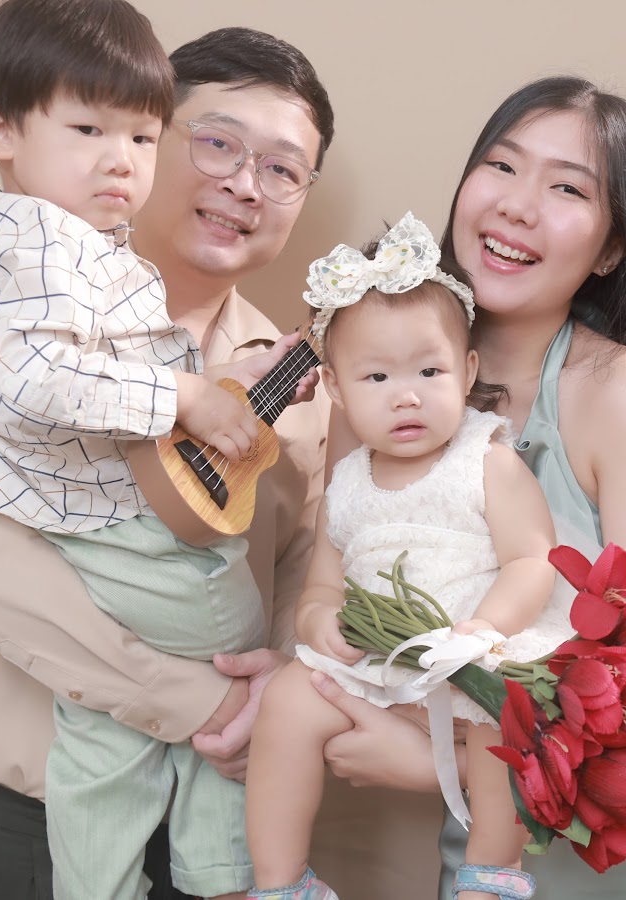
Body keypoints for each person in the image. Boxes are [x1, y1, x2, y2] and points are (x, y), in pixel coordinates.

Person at [0, 23, 334, 900]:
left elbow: (302, 569)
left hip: (207, 849)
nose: (245, 184)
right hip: (2, 835)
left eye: (283, 169)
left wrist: (279, 694)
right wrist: (206, 706)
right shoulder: (15, 304)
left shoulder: (295, 382)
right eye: (216, 143)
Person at [315, 76, 626, 899]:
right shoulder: (379, 388)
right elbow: (340, 592)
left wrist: (441, 764)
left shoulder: (624, 395)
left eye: (568, 188)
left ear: (610, 249)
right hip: (498, 839)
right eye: (501, 165)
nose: (517, 206)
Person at [245, 213, 573, 900]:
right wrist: (318, 623)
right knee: (287, 702)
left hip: (470, 652)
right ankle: (281, 881)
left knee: (506, 723)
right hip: (383, 661)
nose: (408, 394)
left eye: (430, 369)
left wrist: (485, 631)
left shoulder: (484, 460)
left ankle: (490, 873)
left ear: (468, 370)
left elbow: (533, 560)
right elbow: (322, 586)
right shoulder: (349, 483)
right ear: (336, 389)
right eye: (376, 377)